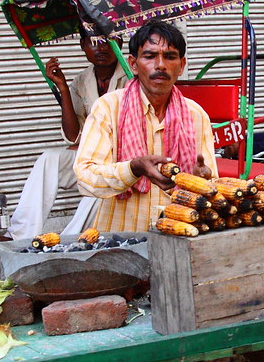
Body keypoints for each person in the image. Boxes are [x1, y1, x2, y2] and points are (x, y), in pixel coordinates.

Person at [75, 20, 217, 233]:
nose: (160, 65)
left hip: (177, 235)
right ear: (133, 64)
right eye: (150, 56)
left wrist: (202, 179)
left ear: (182, 65)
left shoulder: (196, 114)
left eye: (170, 57)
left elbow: (211, 182)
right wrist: (133, 168)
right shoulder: (108, 107)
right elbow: (86, 177)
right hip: (122, 236)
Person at [8, 35, 128, 240]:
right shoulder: (82, 81)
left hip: (121, 160)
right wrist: (63, 88)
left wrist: (90, 147)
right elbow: (74, 137)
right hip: (93, 157)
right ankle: (20, 236)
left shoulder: (131, 77)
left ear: (120, 44)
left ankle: (66, 240)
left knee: (99, 180)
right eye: (93, 42)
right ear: (83, 45)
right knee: (50, 158)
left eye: (108, 41)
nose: (101, 47)